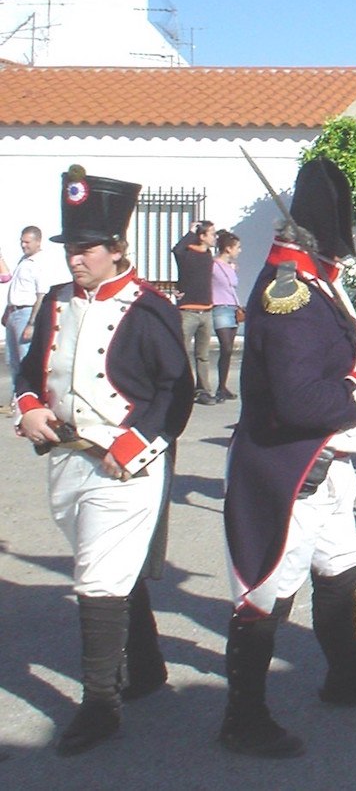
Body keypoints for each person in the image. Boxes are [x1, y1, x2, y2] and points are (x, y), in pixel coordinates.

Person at [220, 158, 356, 758]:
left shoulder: (314, 281)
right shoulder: (292, 292)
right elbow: (303, 400)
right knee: (265, 594)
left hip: (327, 469)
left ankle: (345, 675)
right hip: (291, 469)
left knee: (341, 563)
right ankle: (243, 718)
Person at [15, 166, 194, 755]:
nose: (76, 260)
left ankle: (99, 707)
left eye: (87, 249)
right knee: (113, 569)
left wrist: (134, 444)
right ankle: (146, 667)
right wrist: (30, 406)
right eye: (71, 249)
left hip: (126, 465)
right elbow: (29, 370)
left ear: (117, 249)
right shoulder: (55, 302)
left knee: (95, 577)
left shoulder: (149, 308)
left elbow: (175, 391)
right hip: (64, 458)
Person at [172, 219, 219, 405]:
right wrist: (191, 231)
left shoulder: (208, 255)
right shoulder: (186, 254)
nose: (214, 237)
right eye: (212, 234)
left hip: (206, 311)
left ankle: (204, 391)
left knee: (203, 355)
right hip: (188, 311)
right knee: (181, 353)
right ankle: (181, 389)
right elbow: (176, 250)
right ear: (202, 236)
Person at [4, 225, 45, 391]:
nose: (23, 245)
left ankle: (30, 395)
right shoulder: (24, 260)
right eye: (22, 241)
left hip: (26, 313)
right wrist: (7, 312)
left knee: (25, 359)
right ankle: (18, 397)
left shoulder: (40, 263)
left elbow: (41, 294)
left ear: (38, 242)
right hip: (13, 313)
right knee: (11, 360)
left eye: (27, 242)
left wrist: (32, 323)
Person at [211, 229, 243, 402]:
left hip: (232, 308)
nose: (239, 250)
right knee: (226, 347)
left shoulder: (230, 268)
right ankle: (219, 388)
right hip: (219, 307)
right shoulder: (213, 265)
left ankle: (222, 386)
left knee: (228, 350)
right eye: (237, 247)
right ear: (228, 248)